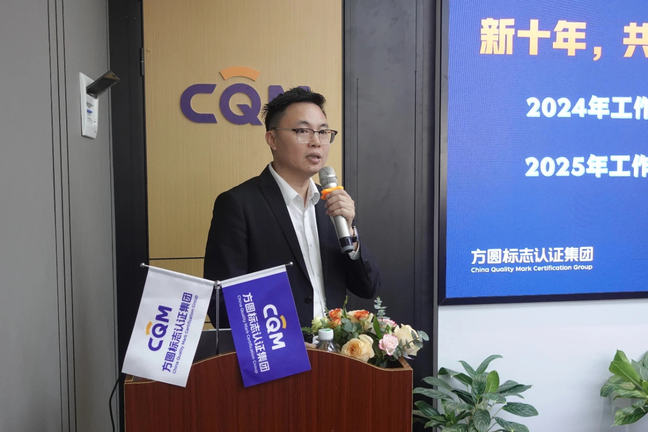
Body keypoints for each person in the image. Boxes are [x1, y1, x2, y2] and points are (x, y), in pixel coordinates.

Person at [204, 87, 381, 329]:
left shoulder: (331, 205)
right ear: (272, 139)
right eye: (302, 131)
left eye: (323, 132)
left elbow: (367, 287)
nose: (316, 142)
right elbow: (223, 302)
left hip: (334, 348)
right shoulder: (239, 205)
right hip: (277, 348)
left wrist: (349, 231)